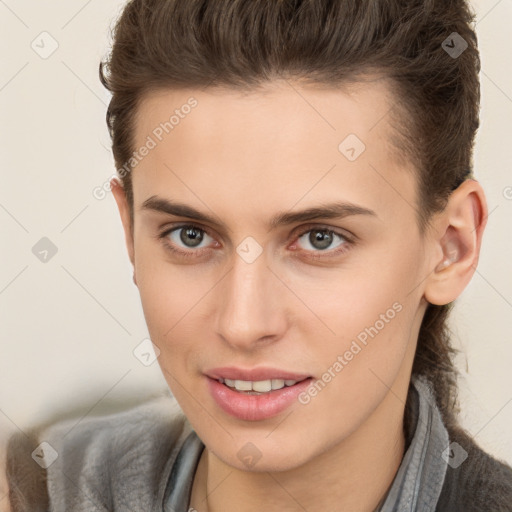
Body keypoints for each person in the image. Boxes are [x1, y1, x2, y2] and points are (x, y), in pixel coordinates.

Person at [4, 0, 512, 511]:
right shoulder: (34, 488)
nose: (243, 324)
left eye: (319, 238)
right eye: (190, 235)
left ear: (451, 247)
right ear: (130, 229)